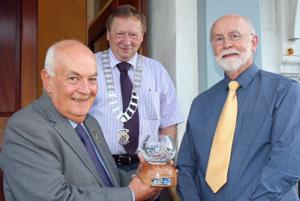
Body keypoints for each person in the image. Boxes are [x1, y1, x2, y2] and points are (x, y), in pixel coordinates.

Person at [0, 39, 160, 201]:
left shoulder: (90, 123)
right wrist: (131, 194)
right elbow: (53, 198)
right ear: (48, 81)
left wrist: (142, 179)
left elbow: (107, 177)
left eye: (92, 79)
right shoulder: (26, 128)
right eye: (73, 78)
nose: (85, 90)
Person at [176, 14, 300, 201]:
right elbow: (186, 167)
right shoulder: (201, 104)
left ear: (254, 42)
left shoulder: (285, 92)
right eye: (219, 39)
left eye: (235, 36)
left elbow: (286, 164)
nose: (227, 44)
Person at [89, 4, 183, 171]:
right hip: (98, 166)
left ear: (142, 36)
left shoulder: (157, 71)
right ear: (109, 35)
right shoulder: (89, 66)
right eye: (119, 34)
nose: (127, 42)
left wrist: (158, 164)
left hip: (145, 166)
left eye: (133, 34)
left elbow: (168, 123)